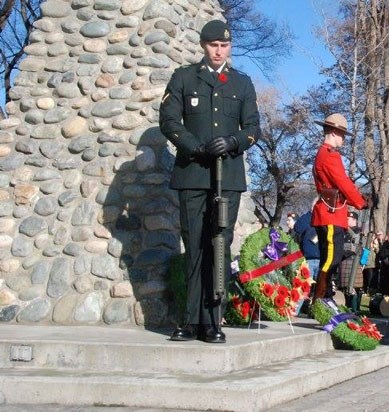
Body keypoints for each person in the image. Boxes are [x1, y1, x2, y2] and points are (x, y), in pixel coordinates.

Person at [159, 20, 261, 343]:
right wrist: (194, 146)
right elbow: (169, 120)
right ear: (204, 45)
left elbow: (253, 128)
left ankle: (213, 321)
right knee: (194, 247)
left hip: (227, 177)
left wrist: (233, 141)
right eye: (214, 45)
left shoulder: (242, 84)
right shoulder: (184, 77)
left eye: (225, 45)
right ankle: (190, 320)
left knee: (220, 245)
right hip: (193, 173)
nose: (219, 51)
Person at [311, 113, 369, 299]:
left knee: (330, 259)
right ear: (334, 132)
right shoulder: (330, 155)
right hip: (330, 213)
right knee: (331, 259)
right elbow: (343, 182)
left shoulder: (325, 154)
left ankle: (325, 297)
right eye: (342, 134)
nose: (343, 138)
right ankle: (320, 298)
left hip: (330, 211)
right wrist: (361, 202)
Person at [339, 211, 364, 312]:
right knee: (345, 287)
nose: (346, 220)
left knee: (352, 288)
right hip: (344, 261)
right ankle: (347, 309)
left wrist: (343, 253)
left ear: (354, 220)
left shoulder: (358, 232)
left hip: (352, 261)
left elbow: (357, 248)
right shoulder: (344, 232)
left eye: (348, 219)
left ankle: (354, 311)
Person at [376, 230, 389, 296]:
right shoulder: (385, 244)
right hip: (386, 265)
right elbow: (381, 254)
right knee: (385, 281)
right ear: (387, 237)